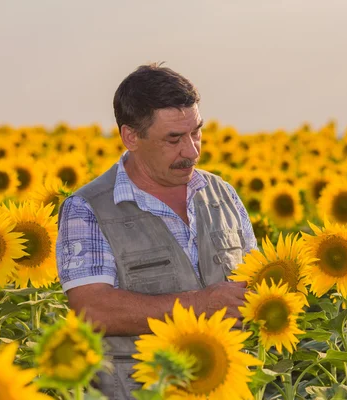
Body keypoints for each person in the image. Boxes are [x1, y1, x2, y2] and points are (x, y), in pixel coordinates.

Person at [56, 63, 257, 399]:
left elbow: (256, 277)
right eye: (174, 139)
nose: (191, 151)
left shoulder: (223, 195)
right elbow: (93, 309)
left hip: (225, 386)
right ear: (131, 137)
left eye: (196, 132)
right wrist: (199, 304)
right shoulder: (88, 208)